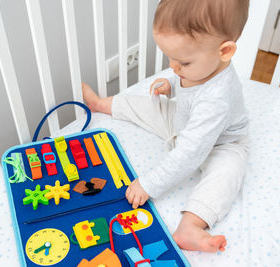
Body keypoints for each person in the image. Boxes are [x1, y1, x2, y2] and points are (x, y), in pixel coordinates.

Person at [82, 0, 249, 253]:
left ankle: (191, 225)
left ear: (224, 51)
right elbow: (190, 81)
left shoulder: (217, 99)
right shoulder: (204, 64)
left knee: (228, 172)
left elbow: (189, 154)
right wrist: (172, 82)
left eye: (184, 63)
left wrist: (149, 184)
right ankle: (101, 104)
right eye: (171, 58)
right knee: (149, 104)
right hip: (183, 121)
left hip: (221, 144)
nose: (173, 66)